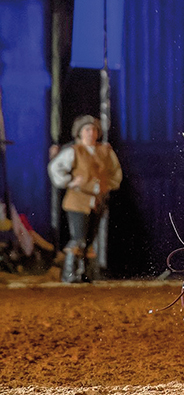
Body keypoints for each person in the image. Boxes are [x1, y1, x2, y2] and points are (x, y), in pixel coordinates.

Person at [47, 115, 122, 282]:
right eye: (87, 130)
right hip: (77, 202)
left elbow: (115, 171)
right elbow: (55, 168)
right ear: (80, 133)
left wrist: (107, 185)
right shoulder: (74, 150)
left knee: (90, 240)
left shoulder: (104, 150)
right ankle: (70, 274)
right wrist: (70, 181)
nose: (91, 133)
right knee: (78, 238)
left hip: (96, 201)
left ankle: (87, 273)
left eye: (94, 130)